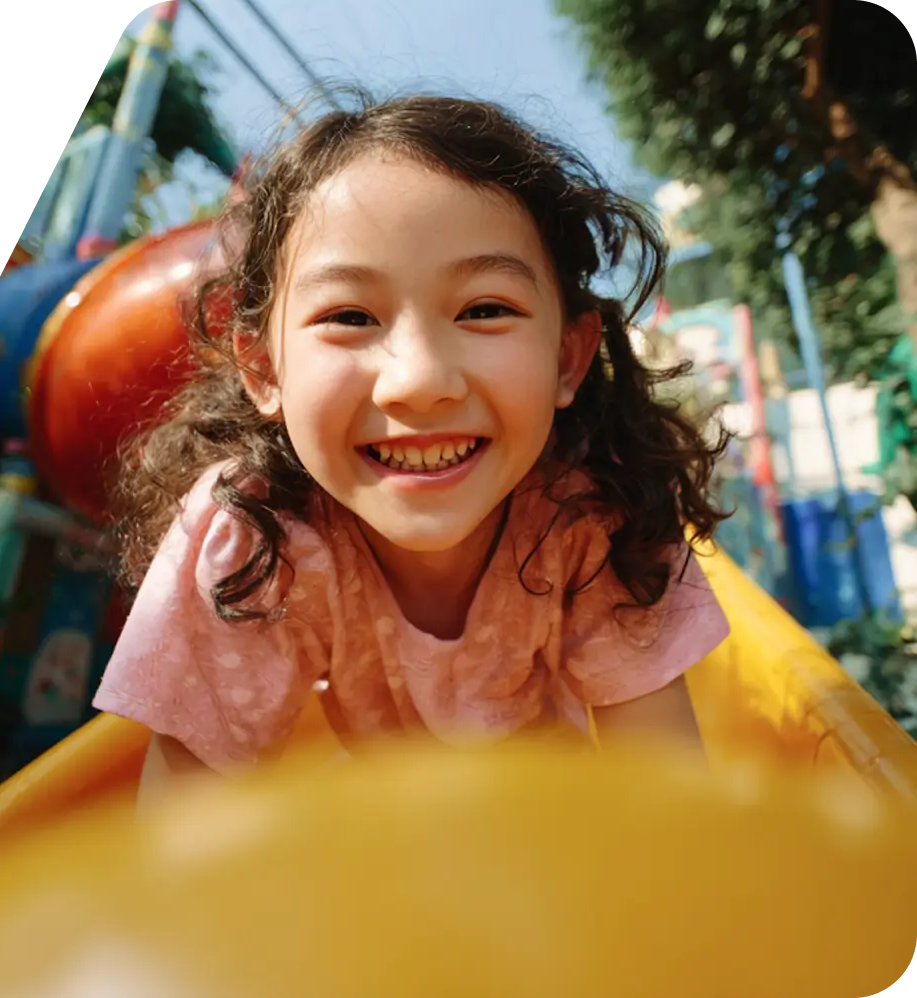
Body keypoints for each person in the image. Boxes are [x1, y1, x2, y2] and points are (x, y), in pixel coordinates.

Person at [92, 94, 732, 805]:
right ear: (264, 370)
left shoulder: (590, 520)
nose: (420, 382)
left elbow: (669, 805)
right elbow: (185, 840)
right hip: (381, 845)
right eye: (349, 316)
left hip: (563, 835)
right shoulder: (253, 538)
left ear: (567, 360)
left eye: (484, 310)